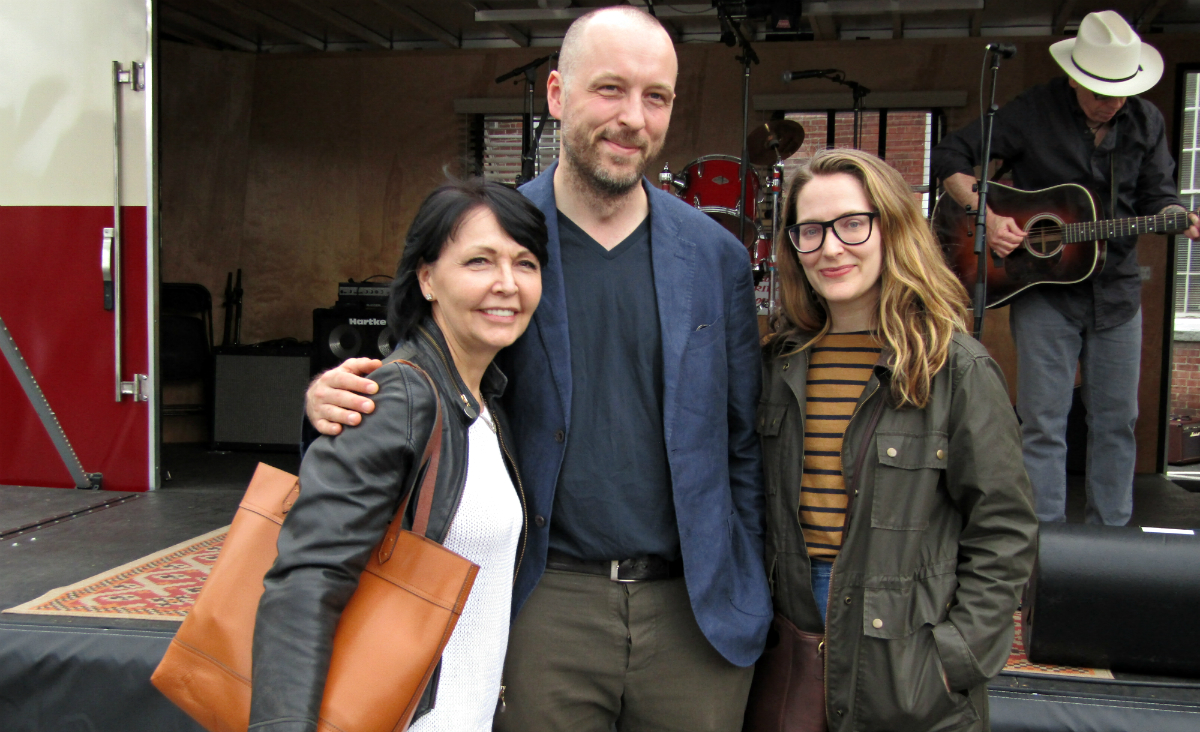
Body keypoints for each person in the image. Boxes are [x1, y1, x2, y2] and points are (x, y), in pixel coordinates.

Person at [303, 6, 770, 731]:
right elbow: (421, 375)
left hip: (693, 618)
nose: (633, 118)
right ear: (557, 95)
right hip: (541, 601)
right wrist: (336, 399)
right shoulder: (495, 241)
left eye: (656, 97)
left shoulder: (717, 259)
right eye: (609, 89)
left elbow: (742, 443)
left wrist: (745, 590)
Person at [250, 178, 548, 732]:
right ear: (428, 278)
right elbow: (307, 577)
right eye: (479, 262)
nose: (506, 284)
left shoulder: (485, 403)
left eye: (525, 263)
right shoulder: (400, 399)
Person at [760, 148, 1038, 730]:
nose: (831, 248)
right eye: (810, 231)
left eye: (853, 224)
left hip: (908, 652)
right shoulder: (773, 366)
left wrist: (954, 658)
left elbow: (1004, 531)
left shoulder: (956, 369)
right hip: (789, 645)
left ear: (894, 228)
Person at [932, 10, 1200, 526]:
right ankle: (1043, 551)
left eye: (1121, 90)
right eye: (1101, 92)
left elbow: (1161, 196)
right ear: (1076, 77)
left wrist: (1175, 218)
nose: (1113, 102)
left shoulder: (1146, 121)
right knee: (1043, 422)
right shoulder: (1033, 111)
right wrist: (987, 217)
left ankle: (1111, 547)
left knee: (1117, 422)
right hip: (1044, 292)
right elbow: (950, 156)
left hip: (1117, 293)